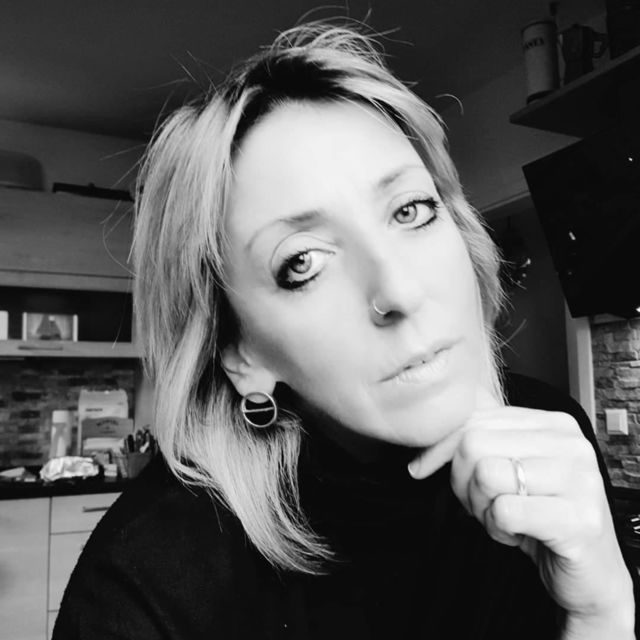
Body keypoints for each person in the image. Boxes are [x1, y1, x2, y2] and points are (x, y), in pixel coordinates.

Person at [54, 21, 637, 639]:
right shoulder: (144, 583)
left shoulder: (551, 434)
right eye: (303, 262)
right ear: (240, 353)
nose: (399, 291)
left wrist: (601, 610)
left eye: (411, 210)